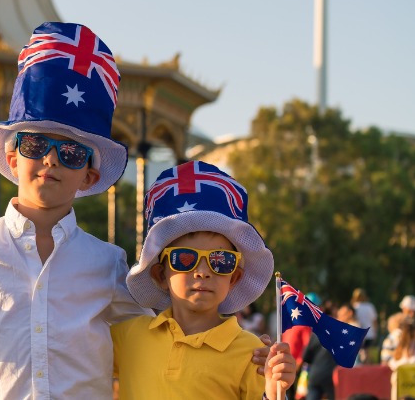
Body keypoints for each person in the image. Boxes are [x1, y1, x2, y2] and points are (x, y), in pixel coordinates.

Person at [0, 22, 272, 399]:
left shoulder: (108, 264)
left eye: (71, 152)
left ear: (88, 176)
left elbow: (165, 344)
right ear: (12, 158)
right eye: (35, 144)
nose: (50, 160)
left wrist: (251, 360)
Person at [112, 160, 296, 399]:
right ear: (160, 275)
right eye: (184, 259)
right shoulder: (128, 337)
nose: (202, 272)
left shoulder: (254, 354)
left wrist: (274, 389)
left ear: (234, 277)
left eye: (220, 261)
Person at [350, 288, 377, 363]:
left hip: (358, 333)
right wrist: (375, 332)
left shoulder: (354, 307)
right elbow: (374, 321)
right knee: (367, 353)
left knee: (358, 354)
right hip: (369, 333)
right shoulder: (370, 306)